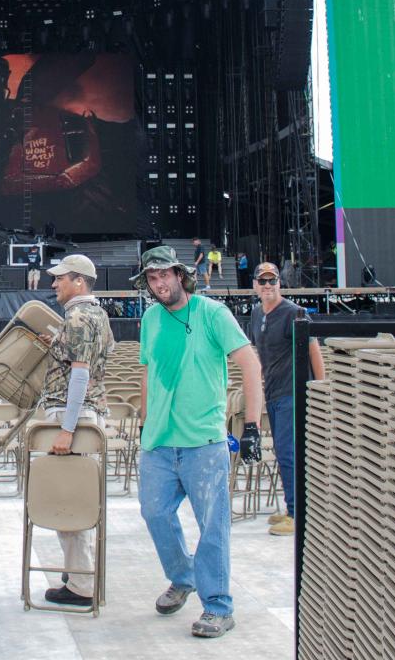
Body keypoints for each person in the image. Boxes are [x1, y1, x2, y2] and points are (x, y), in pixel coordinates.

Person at [131, 245, 264, 640]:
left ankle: (218, 606)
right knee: (154, 513)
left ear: (179, 275)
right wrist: (145, 421)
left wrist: (252, 425)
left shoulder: (212, 314)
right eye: (152, 279)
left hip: (203, 442)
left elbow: (250, 364)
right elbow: (147, 371)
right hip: (158, 442)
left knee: (212, 526)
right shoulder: (150, 319)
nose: (159, 284)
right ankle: (183, 576)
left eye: (164, 276)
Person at [38, 254, 115, 608]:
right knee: (77, 499)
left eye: (60, 279)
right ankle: (77, 572)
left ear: (79, 282)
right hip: (87, 413)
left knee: (67, 501)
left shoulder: (79, 317)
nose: (54, 284)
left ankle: (81, 586)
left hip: (75, 417)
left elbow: (81, 374)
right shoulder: (97, 315)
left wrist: (67, 429)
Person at [245, 262, 324, 536]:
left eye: (272, 281)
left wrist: (319, 387)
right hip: (274, 393)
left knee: (289, 454)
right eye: (263, 281)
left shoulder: (293, 313)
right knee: (282, 453)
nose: (268, 286)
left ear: (279, 283)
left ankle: (297, 514)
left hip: (292, 392)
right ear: (255, 285)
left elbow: (314, 349)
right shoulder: (256, 314)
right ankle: (292, 508)